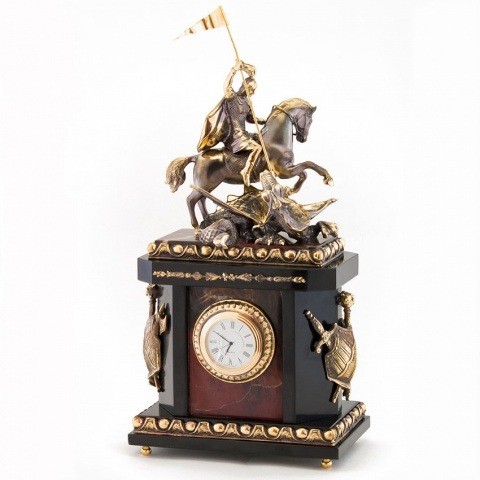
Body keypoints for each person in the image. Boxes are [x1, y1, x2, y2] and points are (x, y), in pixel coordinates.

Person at [197, 60, 265, 186]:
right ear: (245, 86)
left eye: (254, 90)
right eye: (251, 89)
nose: (253, 92)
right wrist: (234, 71)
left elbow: (251, 119)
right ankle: (246, 171)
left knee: (262, 139)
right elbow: (226, 86)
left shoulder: (247, 102)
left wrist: (266, 120)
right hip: (235, 137)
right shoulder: (232, 97)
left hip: (244, 134)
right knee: (257, 148)